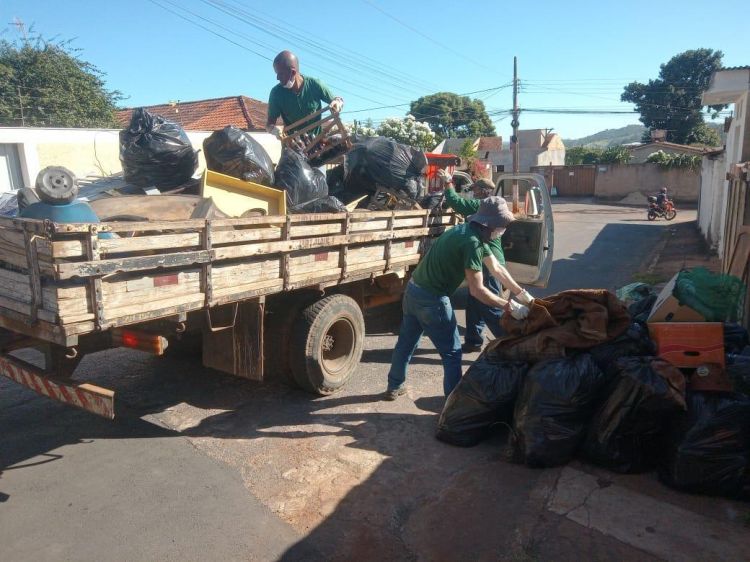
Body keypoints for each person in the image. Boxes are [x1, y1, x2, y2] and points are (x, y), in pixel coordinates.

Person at [385, 196, 535, 400]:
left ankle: (394, 386)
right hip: (432, 299)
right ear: (490, 224)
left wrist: (521, 293)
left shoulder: (467, 230)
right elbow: (477, 290)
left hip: (413, 292)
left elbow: (497, 268)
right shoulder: (472, 243)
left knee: (406, 343)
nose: (503, 230)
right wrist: (509, 307)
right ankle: (453, 403)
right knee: (452, 353)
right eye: (501, 225)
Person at [439, 171, 530, 353]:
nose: (474, 193)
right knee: (474, 301)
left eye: (476, 190)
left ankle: (509, 344)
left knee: (489, 304)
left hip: (487, 261)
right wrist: (520, 293)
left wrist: (448, 184)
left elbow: (457, 203)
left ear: (483, 191)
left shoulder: (482, 207)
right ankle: (473, 340)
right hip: (491, 260)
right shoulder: (497, 206)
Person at [266, 51, 344, 139]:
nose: (277, 78)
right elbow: (269, 124)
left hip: (318, 143)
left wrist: (338, 103)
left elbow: (337, 100)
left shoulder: (315, 84)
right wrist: (273, 130)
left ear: (293, 72)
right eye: (277, 74)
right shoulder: (276, 93)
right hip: (294, 147)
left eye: (281, 74)